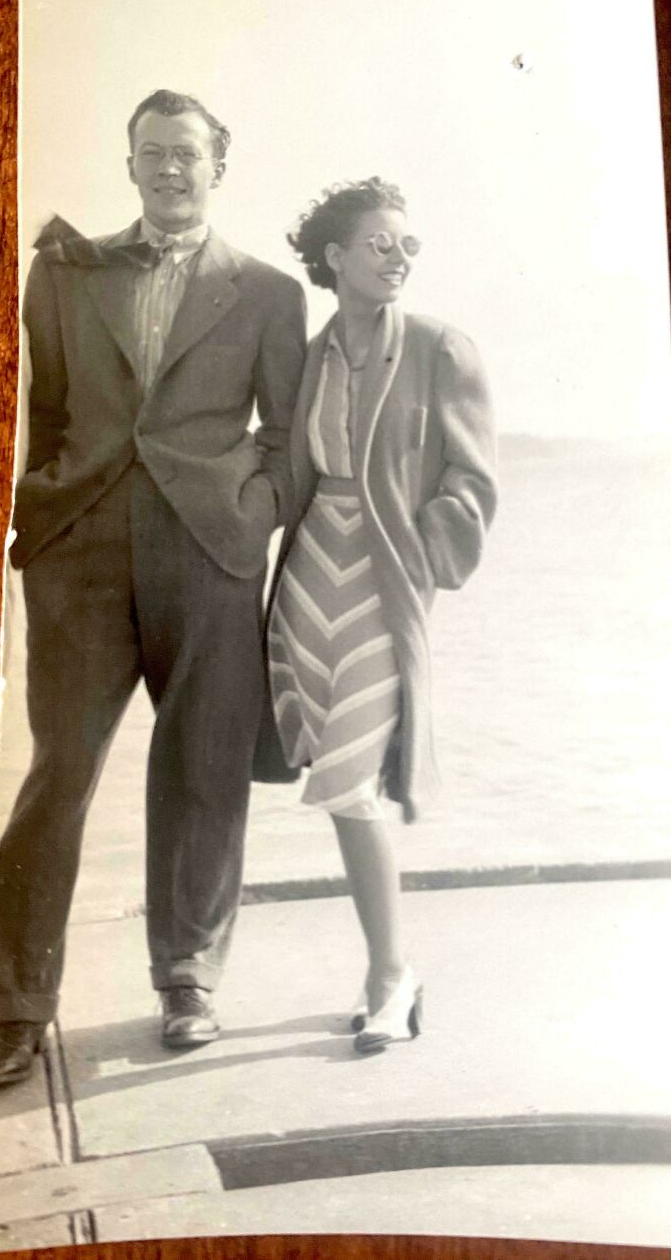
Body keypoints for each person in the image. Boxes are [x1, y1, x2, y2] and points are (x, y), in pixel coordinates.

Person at [0, 89, 306, 1089]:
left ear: (219, 165)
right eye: (152, 153)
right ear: (130, 167)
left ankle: (188, 979)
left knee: (203, 769)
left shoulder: (267, 291)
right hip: (78, 556)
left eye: (188, 153)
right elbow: (35, 410)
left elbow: (288, 439)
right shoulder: (65, 275)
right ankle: (19, 1007)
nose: (170, 168)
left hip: (208, 556)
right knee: (56, 776)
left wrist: (250, 515)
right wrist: (34, 523)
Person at [267, 178, 497, 1053]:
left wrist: (422, 561)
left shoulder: (443, 347)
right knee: (338, 786)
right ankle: (390, 966)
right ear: (334, 257)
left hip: (383, 581)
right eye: (379, 243)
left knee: (354, 782)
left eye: (408, 245)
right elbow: (294, 464)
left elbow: (472, 484)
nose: (399, 257)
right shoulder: (312, 350)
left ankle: (390, 975)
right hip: (305, 578)